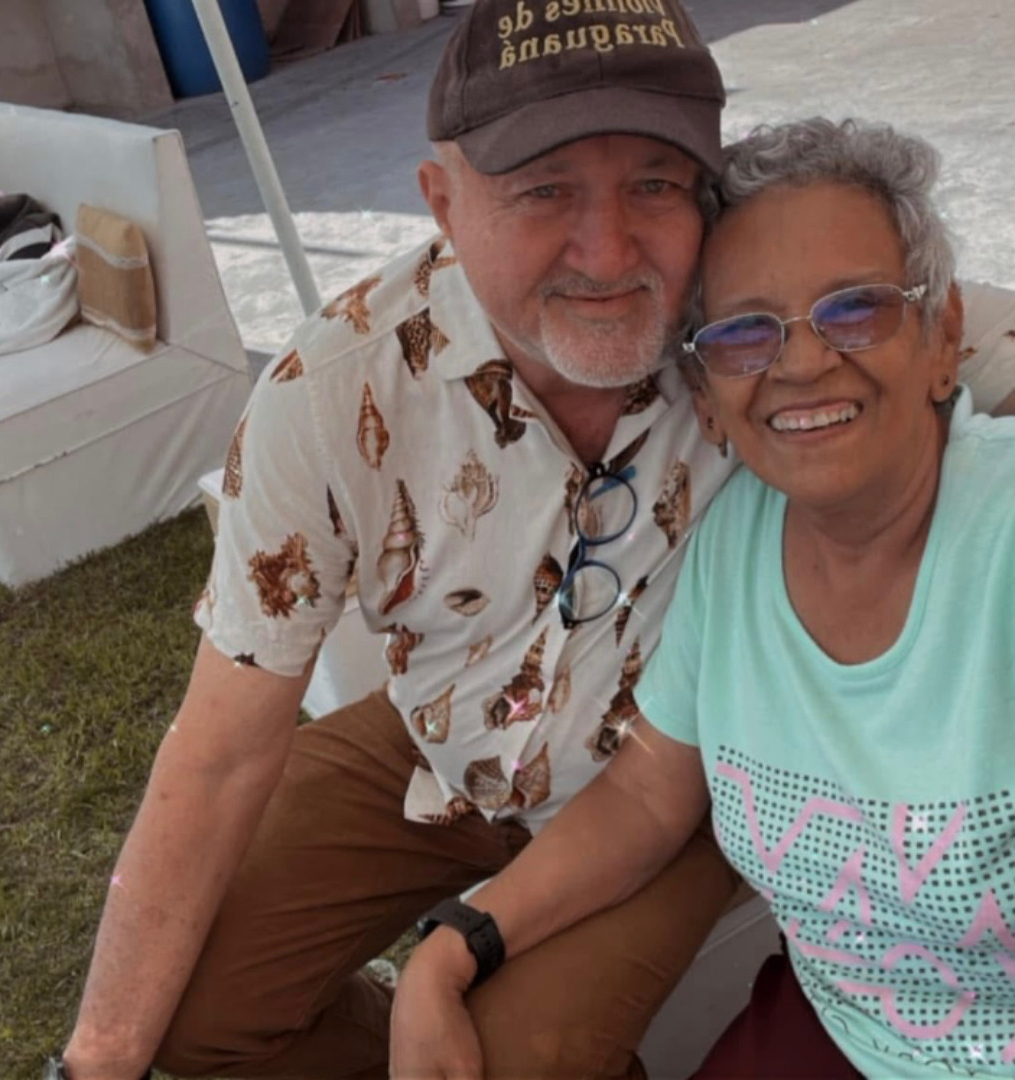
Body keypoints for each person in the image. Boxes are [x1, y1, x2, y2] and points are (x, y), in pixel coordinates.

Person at [52, 1, 1015, 1075]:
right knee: (194, 1007)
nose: (607, 253)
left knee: (513, 1062)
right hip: (439, 736)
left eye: (654, 182)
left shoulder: (747, 315)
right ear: (443, 201)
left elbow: (931, 327)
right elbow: (220, 754)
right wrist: (95, 1063)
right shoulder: (330, 399)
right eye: (543, 189)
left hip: (660, 778)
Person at [390, 116, 1015, 1079]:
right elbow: (648, 792)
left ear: (944, 338)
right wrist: (455, 944)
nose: (800, 363)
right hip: (843, 1028)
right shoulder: (736, 543)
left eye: (856, 309)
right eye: (744, 333)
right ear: (708, 390)